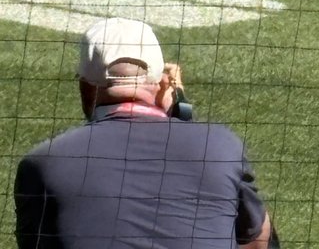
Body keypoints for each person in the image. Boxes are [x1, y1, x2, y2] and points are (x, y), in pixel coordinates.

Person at [15, 17, 273, 249]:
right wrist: (182, 118)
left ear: (85, 87)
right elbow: (258, 242)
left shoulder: (43, 162)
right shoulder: (219, 146)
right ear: (162, 82)